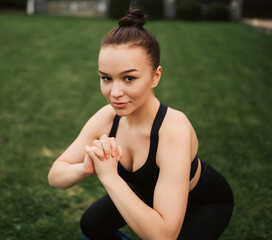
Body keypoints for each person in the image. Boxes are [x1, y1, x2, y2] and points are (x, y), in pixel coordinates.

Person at [48, 9, 234, 240]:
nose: (115, 93)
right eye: (106, 78)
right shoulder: (107, 118)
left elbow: (163, 236)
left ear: (155, 76)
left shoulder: (174, 129)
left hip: (204, 202)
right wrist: (85, 168)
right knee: (92, 225)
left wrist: (110, 177)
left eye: (129, 78)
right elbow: (56, 175)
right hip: (149, 191)